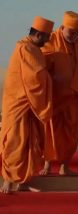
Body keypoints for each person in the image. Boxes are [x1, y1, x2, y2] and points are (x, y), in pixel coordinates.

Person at [0, 16, 54, 193]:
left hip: (29, 104)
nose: (48, 41)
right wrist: (50, 78)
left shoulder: (33, 48)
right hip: (18, 103)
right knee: (15, 142)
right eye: (46, 37)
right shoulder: (25, 48)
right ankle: (8, 181)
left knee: (30, 142)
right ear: (38, 34)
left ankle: (23, 181)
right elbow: (35, 77)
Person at [40, 11, 78, 175]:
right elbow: (39, 64)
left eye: (77, 33)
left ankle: (65, 166)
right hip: (54, 97)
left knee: (71, 133)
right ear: (62, 27)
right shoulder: (49, 41)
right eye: (71, 32)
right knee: (50, 131)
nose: (74, 36)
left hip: (72, 97)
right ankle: (47, 165)